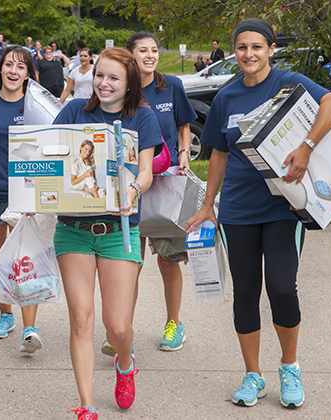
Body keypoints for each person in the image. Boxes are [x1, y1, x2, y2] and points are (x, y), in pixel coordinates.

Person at [185, 18, 331, 409]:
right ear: (234, 51)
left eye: (257, 47)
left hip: (283, 206)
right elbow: (218, 154)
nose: (249, 54)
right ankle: (252, 375)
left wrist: (307, 146)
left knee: (280, 286)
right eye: (242, 47)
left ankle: (289, 365)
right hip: (238, 209)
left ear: (271, 50)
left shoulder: (289, 83)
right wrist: (208, 206)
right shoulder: (226, 97)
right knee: (245, 294)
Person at [53, 47, 164, 420]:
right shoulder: (73, 112)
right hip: (73, 229)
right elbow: (51, 157)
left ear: (129, 82)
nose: (104, 83)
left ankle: (125, 361)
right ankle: (86, 406)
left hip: (120, 229)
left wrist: (133, 191)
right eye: (99, 75)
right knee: (81, 319)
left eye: (113, 77)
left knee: (117, 326)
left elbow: (146, 171)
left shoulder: (143, 117)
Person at [124, 30, 197, 352]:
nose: (150, 55)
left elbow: (184, 125)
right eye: (143, 50)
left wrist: (183, 154)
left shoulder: (172, 87)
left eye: (154, 50)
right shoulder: (123, 90)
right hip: (130, 187)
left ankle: (174, 324)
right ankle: (122, 327)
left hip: (165, 182)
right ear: (131, 56)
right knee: (128, 263)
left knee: (168, 260)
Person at [0, 45, 45, 354]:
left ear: (28, 73)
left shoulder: (35, 107)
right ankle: (6, 315)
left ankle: (30, 327)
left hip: (22, 196)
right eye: (8, 65)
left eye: (20, 67)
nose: (13, 71)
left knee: (24, 261)